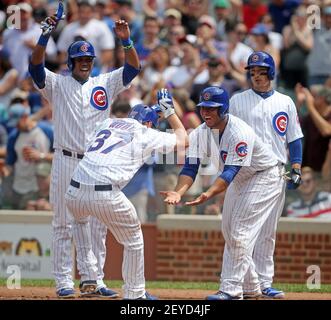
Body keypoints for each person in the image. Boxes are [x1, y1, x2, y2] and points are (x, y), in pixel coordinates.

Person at [28, 5, 140, 298]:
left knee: (98, 226)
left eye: (88, 58)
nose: (85, 63)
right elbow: (35, 69)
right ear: (70, 62)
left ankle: (94, 280)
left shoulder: (104, 82)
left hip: (95, 163)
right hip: (65, 160)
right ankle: (64, 280)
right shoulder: (57, 84)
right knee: (63, 224)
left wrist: (126, 41)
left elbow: (132, 68)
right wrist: (44, 37)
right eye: (80, 59)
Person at [161, 86, 283, 300]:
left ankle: (231, 289)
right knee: (229, 231)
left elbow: (230, 172)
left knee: (239, 232)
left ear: (224, 109)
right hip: (240, 180)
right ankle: (252, 286)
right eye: (203, 108)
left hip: (264, 176)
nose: (206, 112)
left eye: (212, 108)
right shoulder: (201, 132)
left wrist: (208, 193)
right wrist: (179, 192)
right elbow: (190, 167)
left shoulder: (239, 132)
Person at [64, 89, 188, 299]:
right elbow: (183, 139)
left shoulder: (109, 123)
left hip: (74, 190)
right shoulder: (146, 132)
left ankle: (89, 277)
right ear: (148, 123)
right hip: (105, 193)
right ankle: (135, 293)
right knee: (133, 241)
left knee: (80, 222)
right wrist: (168, 111)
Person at [230, 51, 304, 299]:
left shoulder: (285, 101)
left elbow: (294, 138)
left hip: (274, 172)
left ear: (271, 73)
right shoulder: (237, 101)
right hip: (244, 172)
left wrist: (296, 167)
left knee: (267, 232)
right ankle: (239, 283)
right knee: (240, 231)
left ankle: (264, 283)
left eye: (261, 72)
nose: (256, 77)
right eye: (253, 72)